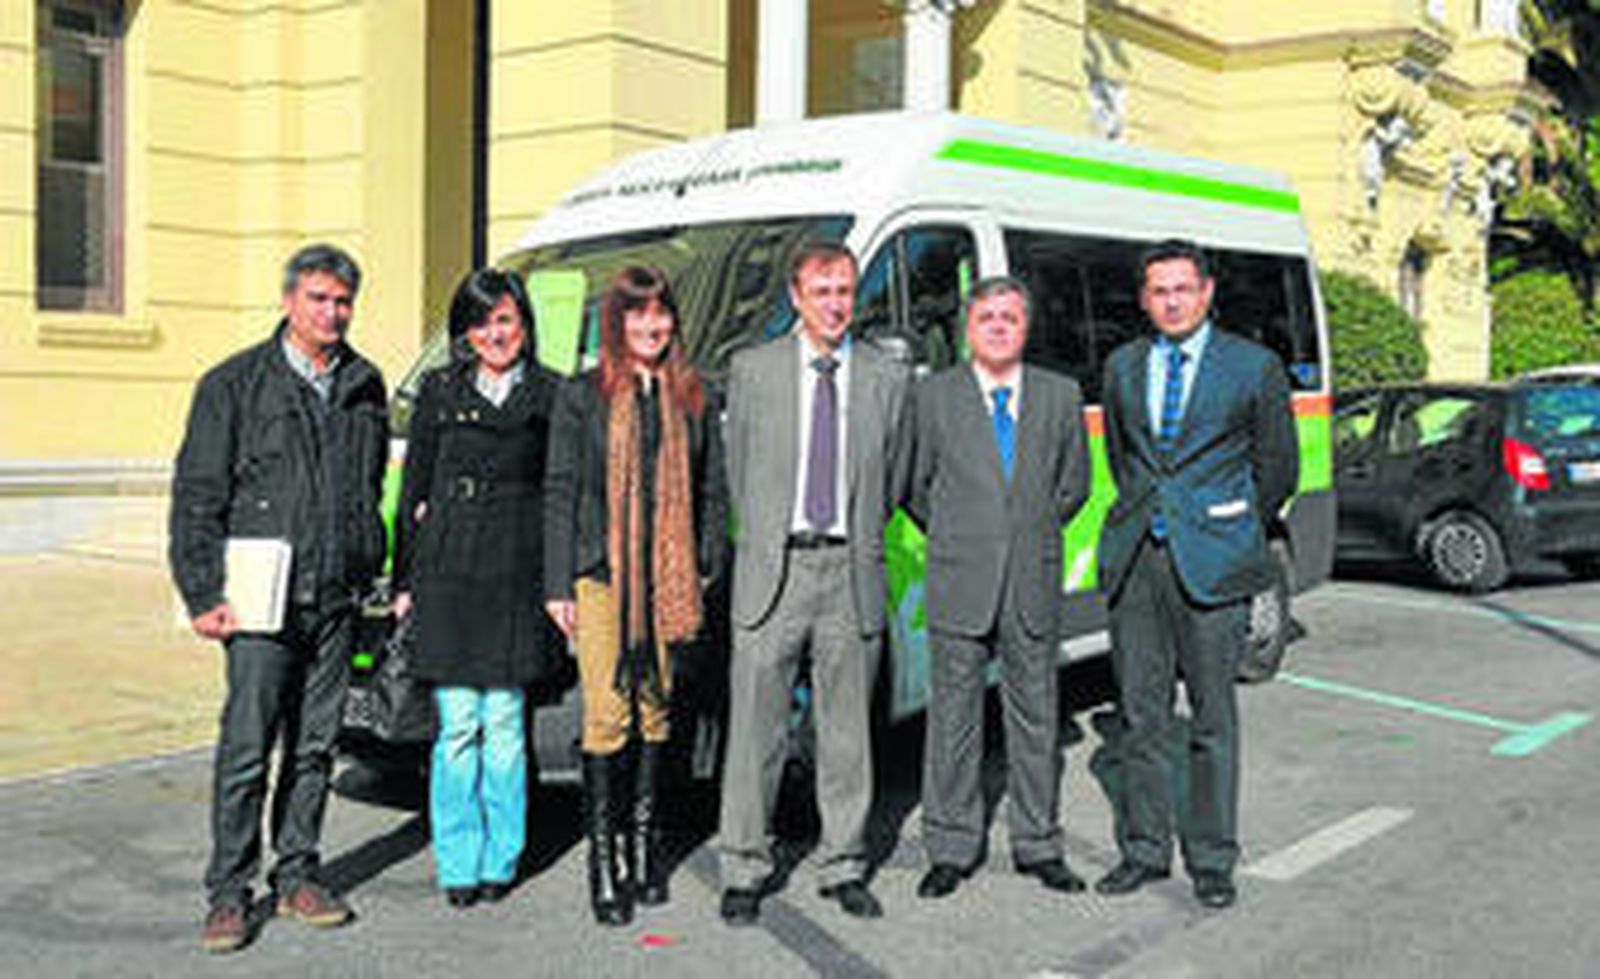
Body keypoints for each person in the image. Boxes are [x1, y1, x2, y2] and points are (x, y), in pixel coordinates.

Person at [169, 244, 388, 953]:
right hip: (260, 600)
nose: (332, 312)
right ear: (290, 299)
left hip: (335, 595)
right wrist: (202, 590)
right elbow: (197, 496)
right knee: (246, 748)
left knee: (315, 747)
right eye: (320, 298)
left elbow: (366, 487)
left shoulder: (364, 381)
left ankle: (297, 873)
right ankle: (228, 891)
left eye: (343, 300)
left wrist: (369, 563)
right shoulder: (233, 384)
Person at [1094, 239, 1299, 910]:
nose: (1171, 300)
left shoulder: (1254, 365)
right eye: (1159, 290)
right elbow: (1127, 462)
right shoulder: (1123, 365)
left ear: (1206, 292)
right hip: (1138, 563)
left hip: (1213, 562)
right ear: (1145, 297)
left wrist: (1223, 525)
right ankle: (1145, 850)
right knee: (1141, 715)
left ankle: (1212, 857)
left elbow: (1277, 469)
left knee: (1212, 717)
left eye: (1183, 287)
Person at [717, 242, 912, 925]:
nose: (836, 303)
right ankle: (743, 864)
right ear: (796, 298)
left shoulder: (887, 377)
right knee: (755, 731)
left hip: (850, 567)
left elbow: (895, 474)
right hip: (775, 569)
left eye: (846, 291)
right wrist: (773, 537)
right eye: (822, 290)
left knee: (847, 732)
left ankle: (844, 863)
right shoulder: (753, 370)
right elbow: (737, 471)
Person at [543, 266, 727, 926]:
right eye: (637, 315)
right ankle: (604, 862)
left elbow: (711, 488)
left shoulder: (690, 392)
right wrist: (556, 582)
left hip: (669, 580)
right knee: (607, 713)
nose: (652, 326)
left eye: (661, 315)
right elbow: (561, 487)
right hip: (601, 575)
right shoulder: (583, 393)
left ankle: (646, 849)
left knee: (657, 712)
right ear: (616, 323)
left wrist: (705, 565)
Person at [905, 276, 1091, 900]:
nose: (999, 326)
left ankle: (1039, 846)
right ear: (967, 327)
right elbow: (914, 485)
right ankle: (951, 848)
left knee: (1035, 720)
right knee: (952, 722)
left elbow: (1074, 486)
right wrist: (967, 533)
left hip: (1031, 583)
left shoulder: (1061, 396)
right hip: (961, 580)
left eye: (1010, 316)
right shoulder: (934, 396)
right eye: (987, 316)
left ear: (1026, 326)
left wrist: (1021, 533)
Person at [391, 268, 564, 910]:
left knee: (506, 725)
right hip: (449, 570)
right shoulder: (439, 390)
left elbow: (562, 493)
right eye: (484, 320)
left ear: (524, 324)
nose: (496, 332)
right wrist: (404, 578)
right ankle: (458, 860)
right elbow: (415, 491)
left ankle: (503, 857)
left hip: (519, 573)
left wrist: (559, 583)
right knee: (458, 725)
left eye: (507, 319)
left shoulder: (553, 393)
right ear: (466, 331)